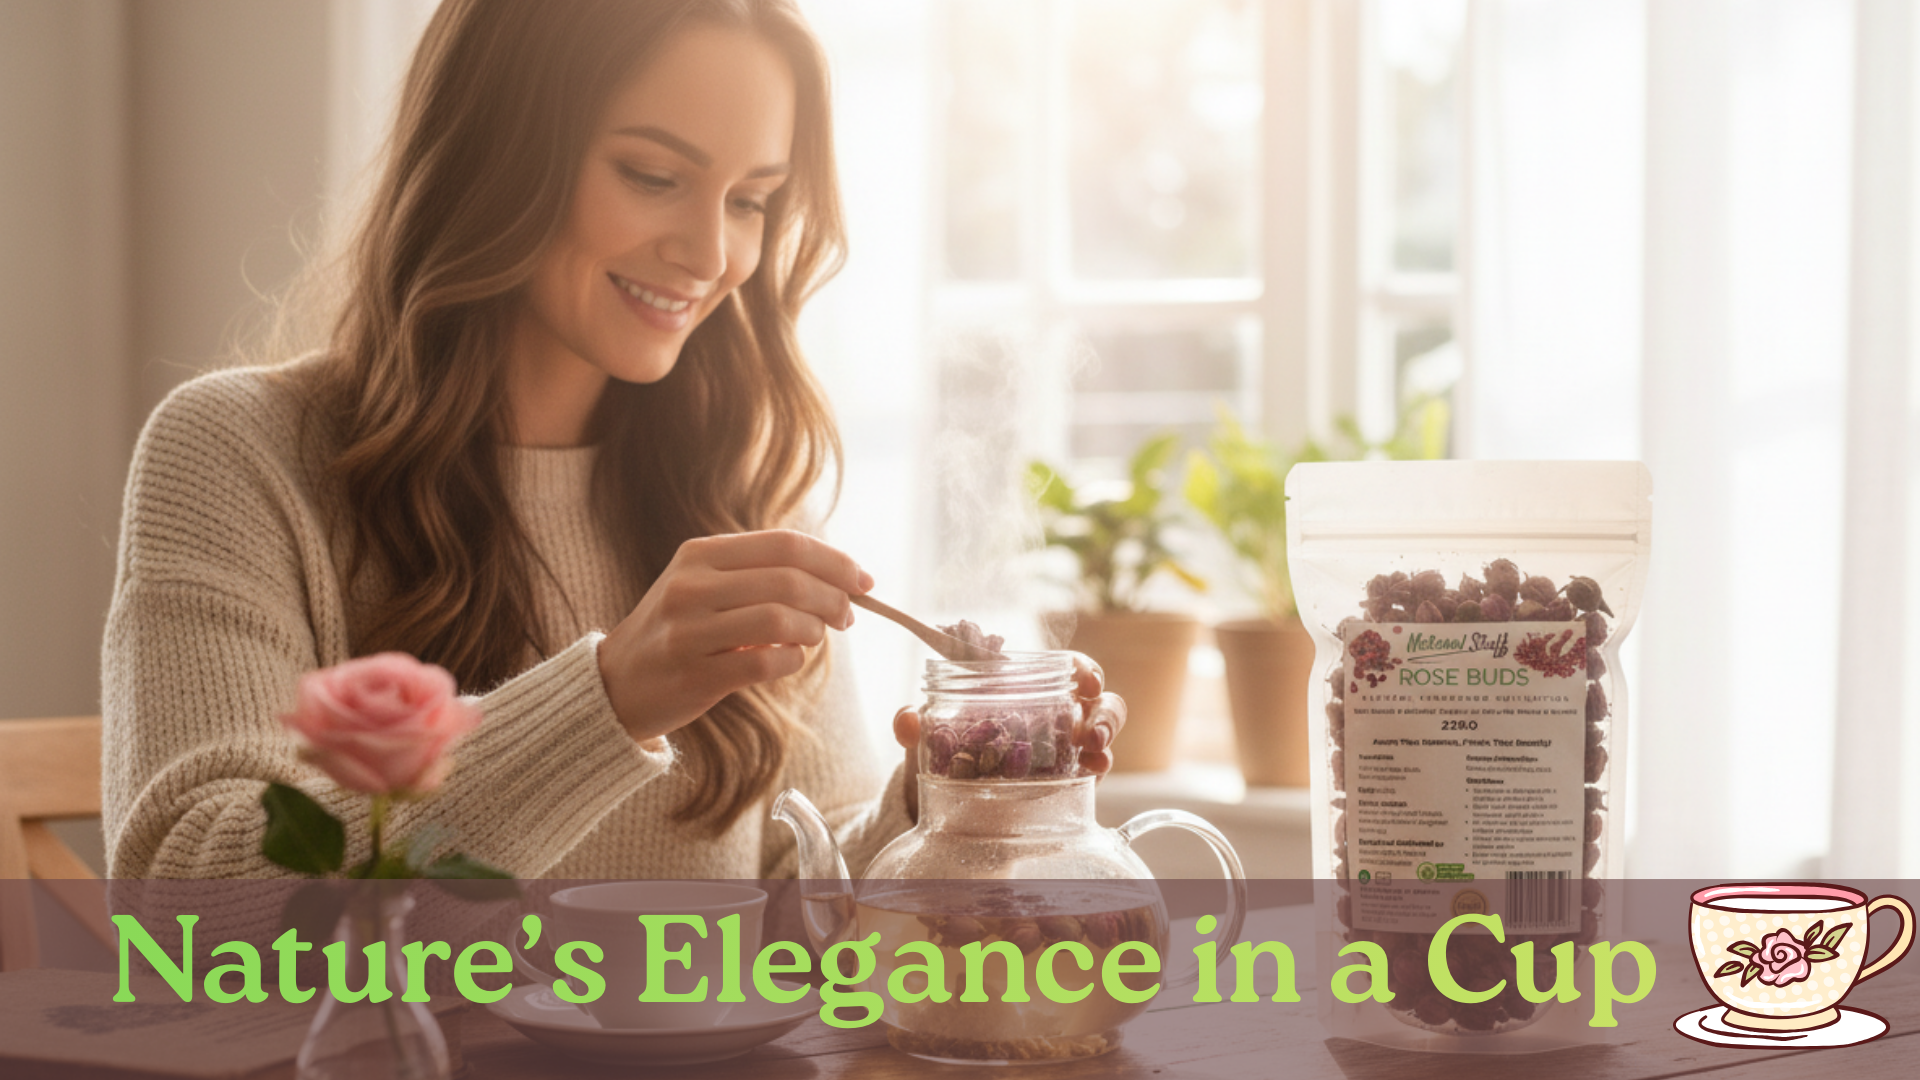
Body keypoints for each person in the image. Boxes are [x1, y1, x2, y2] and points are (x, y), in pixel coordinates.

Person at [100, 0, 1124, 881]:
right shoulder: (240, 454)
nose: (713, 253)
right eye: (651, 174)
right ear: (496, 154)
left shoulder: (739, 483)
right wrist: (610, 699)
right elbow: (185, 910)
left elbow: (798, 914)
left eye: (754, 201)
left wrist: (946, 797)